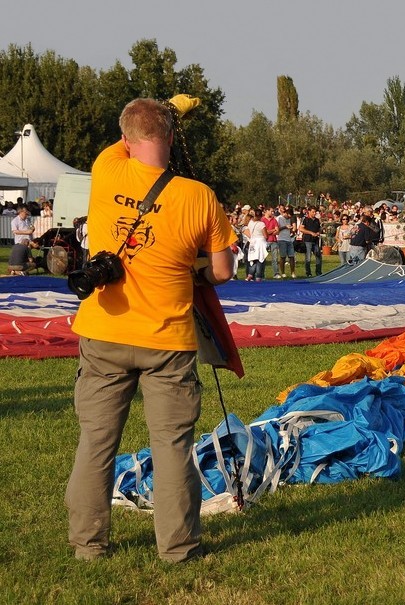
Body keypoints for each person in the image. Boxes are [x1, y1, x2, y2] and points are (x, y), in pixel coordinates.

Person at [66, 97, 235, 563]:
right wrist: (192, 270)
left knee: (96, 444)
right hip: (167, 341)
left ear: (125, 140)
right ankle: (178, 549)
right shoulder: (199, 196)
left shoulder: (107, 169)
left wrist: (168, 107)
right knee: (173, 448)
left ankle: (88, 546)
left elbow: (127, 140)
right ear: (173, 138)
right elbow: (222, 271)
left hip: (105, 333)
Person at [244, 209, 268, 281]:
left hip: (252, 242)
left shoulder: (250, 222)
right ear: (260, 216)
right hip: (260, 242)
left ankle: (250, 275)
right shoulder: (261, 224)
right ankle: (258, 276)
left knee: (254, 260)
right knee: (260, 260)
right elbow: (265, 235)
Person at [299, 206, 322, 276]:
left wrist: (319, 232)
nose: (314, 213)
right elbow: (301, 229)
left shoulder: (317, 220)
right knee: (308, 257)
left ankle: (318, 272)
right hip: (307, 240)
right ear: (308, 211)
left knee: (318, 256)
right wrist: (311, 233)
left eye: (315, 212)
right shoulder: (305, 219)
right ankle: (308, 273)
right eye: (313, 212)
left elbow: (319, 228)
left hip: (315, 241)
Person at [276, 207, 297, 278]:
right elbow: (276, 229)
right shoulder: (279, 218)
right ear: (286, 213)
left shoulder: (289, 219)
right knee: (283, 257)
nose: (289, 218)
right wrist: (285, 227)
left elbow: (290, 228)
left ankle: (293, 272)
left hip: (289, 239)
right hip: (281, 239)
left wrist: (292, 231)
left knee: (292, 256)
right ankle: (283, 272)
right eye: (288, 216)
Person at [261, 207, 280, 278]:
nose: (273, 213)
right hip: (265, 241)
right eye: (271, 211)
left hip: (274, 241)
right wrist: (273, 230)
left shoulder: (274, 220)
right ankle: (262, 274)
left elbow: (277, 231)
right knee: (262, 258)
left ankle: (276, 273)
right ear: (267, 211)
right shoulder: (262, 220)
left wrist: (269, 231)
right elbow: (264, 232)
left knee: (275, 258)